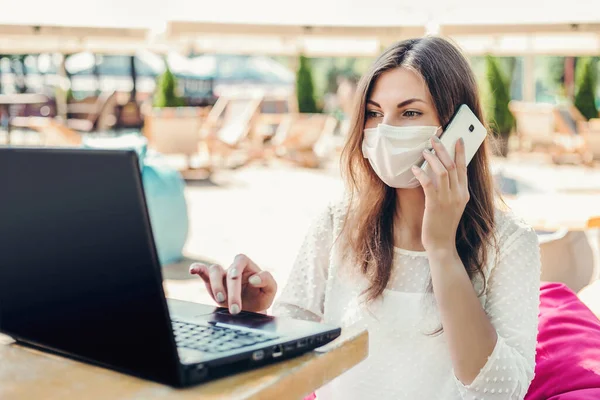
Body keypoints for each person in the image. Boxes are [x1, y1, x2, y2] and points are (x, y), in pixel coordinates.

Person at [190, 36, 541, 399]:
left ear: (459, 128)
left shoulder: (509, 242)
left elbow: (503, 392)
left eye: (410, 113)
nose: (385, 130)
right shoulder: (337, 223)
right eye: (374, 113)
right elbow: (292, 365)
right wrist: (251, 318)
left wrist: (441, 249)